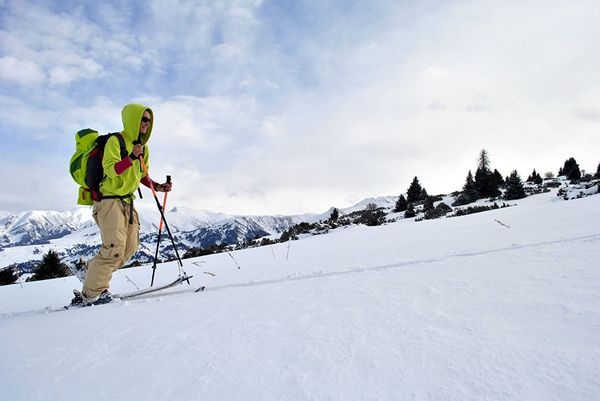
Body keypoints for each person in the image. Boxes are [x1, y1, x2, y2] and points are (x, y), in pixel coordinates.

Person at [71, 103, 172, 306]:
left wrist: (158, 186)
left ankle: (90, 272)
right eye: (143, 119)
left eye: (149, 120)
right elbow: (111, 170)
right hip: (109, 200)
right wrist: (132, 156)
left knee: (130, 247)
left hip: (128, 201)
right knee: (113, 247)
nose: (146, 123)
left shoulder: (144, 147)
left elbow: (142, 174)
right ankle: (91, 295)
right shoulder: (115, 141)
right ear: (133, 119)